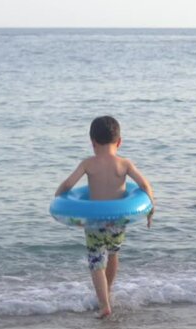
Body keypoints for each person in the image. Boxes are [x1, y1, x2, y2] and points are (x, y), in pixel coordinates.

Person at [55, 116, 155, 318]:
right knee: (112, 254)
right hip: (118, 220)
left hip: (94, 222)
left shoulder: (88, 164)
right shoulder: (125, 164)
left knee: (96, 262)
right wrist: (150, 209)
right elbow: (144, 186)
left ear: (92, 143)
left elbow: (67, 185)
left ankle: (104, 305)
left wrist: (58, 198)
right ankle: (107, 292)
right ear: (119, 142)